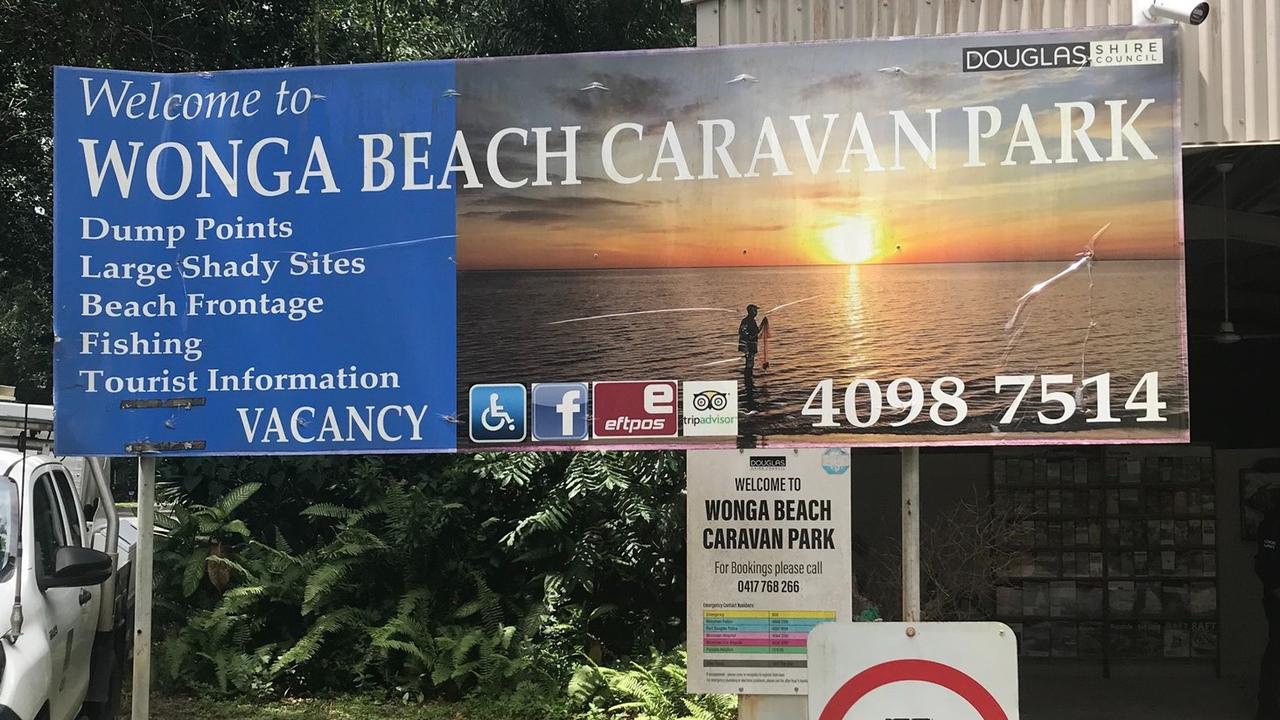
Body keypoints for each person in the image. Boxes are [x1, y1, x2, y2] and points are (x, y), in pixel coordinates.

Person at [1257, 487, 1280, 720]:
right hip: (1277, 598)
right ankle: (1267, 710)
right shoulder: (1273, 523)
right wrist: (1276, 588)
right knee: (1276, 653)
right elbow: (1264, 563)